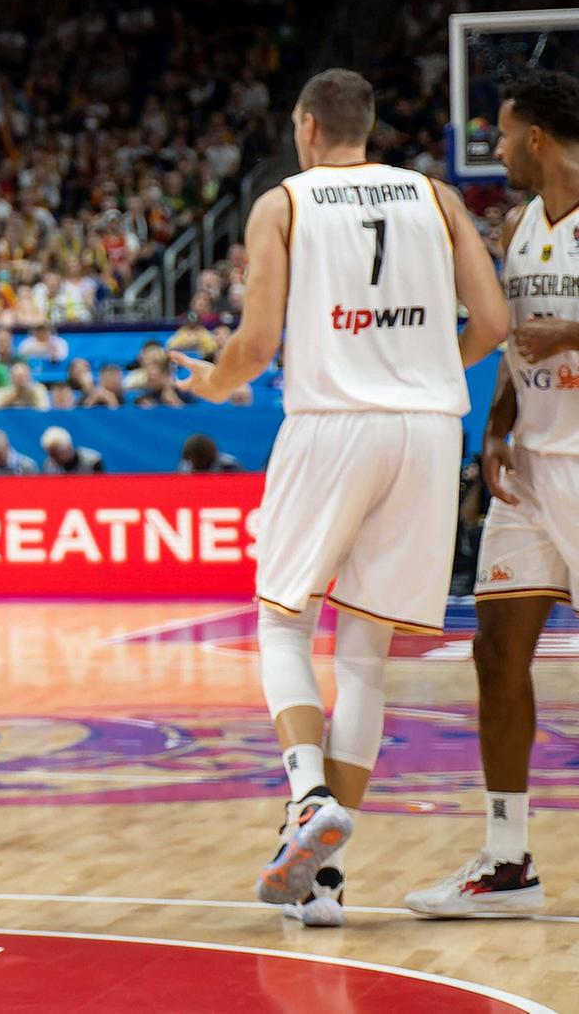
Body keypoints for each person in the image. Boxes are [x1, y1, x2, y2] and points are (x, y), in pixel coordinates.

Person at [173, 68, 506, 928]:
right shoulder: (438, 197)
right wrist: (427, 371)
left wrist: (212, 382)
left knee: (283, 619)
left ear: (309, 127)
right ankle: (322, 885)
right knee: (365, 652)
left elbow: (254, 344)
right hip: (432, 431)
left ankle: (307, 796)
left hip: (333, 423)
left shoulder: (283, 203)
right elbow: (495, 324)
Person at [409, 71, 579, 919]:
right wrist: (499, 425)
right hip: (531, 468)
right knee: (493, 653)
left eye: (506, 134)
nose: (498, 148)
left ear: (539, 138)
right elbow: (516, 342)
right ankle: (507, 861)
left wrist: (576, 331)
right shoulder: (515, 226)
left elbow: (556, 331)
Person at [38, 426, 104, 473]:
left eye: (56, 453)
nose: (55, 459)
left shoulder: (93, 461)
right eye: (51, 455)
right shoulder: (49, 465)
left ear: (68, 447)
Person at [175, 432, 243, 473]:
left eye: (200, 459)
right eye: (194, 459)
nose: (197, 462)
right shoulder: (185, 467)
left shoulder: (229, 465)